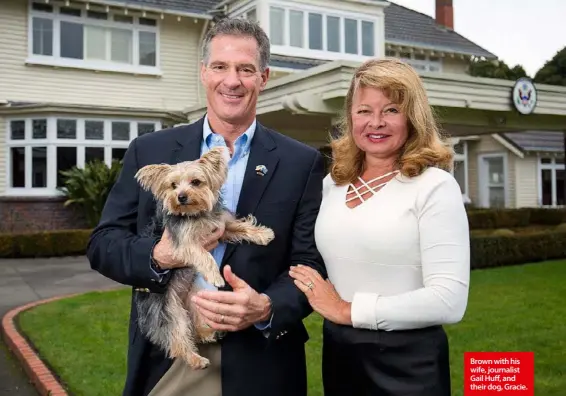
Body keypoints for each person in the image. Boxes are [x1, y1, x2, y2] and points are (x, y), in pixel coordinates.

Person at [87, 18, 325, 396]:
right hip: (172, 358)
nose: (232, 81)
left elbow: (310, 262)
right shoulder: (150, 150)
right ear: (203, 73)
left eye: (245, 69)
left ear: (264, 77)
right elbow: (103, 244)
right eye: (220, 67)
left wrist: (266, 306)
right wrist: (160, 256)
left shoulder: (302, 163)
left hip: (262, 363)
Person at [289, 58, 470, 396]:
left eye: (390, 110)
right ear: (350, 117)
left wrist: (347, 310)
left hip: (408, 363)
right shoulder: (333, 184)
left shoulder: (434, 187)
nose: (375, 123)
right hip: (341, 355)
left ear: (412, 117)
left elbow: (449, 300)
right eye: (363, 111)